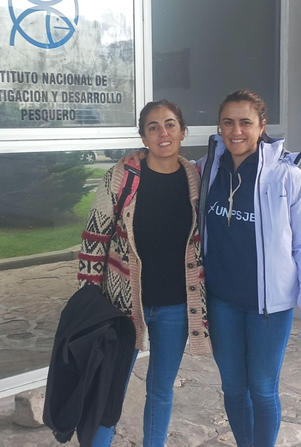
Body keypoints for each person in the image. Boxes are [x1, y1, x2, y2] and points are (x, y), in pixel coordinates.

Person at [77, 99, 212, 447]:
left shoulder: (196, 180)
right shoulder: (121, 177)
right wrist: (88, 297)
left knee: (161, 390)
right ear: (143, 136)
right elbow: (94, 239)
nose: (162, 133)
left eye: (170, 124)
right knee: (110, 390)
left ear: (183, 132)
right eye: (153, 127)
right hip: (122, 306)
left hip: (175, 306)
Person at [199, 89, 301, 447]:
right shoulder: (207, 170)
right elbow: (165, 167)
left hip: (269, 308)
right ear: (219, 127)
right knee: (233, 387)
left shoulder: (289, 179)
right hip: (221, 301)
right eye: (228, 122)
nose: (236, 131)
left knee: (262, 388)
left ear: (262, 126)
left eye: (245, 122)